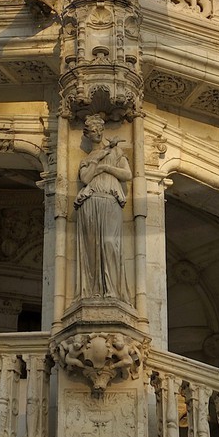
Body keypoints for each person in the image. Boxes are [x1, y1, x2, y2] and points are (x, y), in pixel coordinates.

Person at [75, 115, 131, 301]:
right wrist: (96, 161)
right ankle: (94, 292)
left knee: (109, 245)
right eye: (93, 130)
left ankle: (113, 292)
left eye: (100, 129)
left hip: (110, 201)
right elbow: (85, 179)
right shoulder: (88, 158)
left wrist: (106, 168)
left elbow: (127, 174)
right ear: (87, 134)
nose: (98, 133)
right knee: (92, 249)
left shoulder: (115, 152)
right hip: (90, 204)